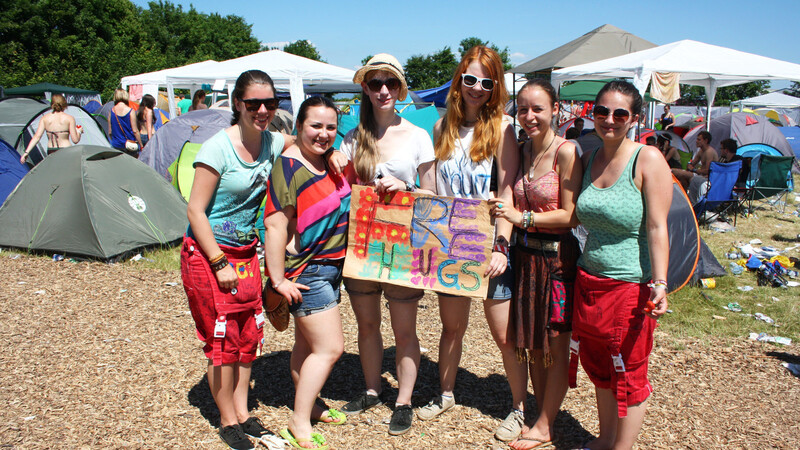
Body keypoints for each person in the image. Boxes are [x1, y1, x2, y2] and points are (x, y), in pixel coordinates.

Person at [181, 69, 292, 450]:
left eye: (270, 103)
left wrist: (336, 148)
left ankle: (244, 414)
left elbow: (306, 140)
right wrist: (217, 262)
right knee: (222, 340)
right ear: (237, 104)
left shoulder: (273, 142)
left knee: (248, 337)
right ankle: (227, 421)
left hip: (245, 254)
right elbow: (196, 211)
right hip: (209, 254)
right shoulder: (217, 148)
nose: (262, 110)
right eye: (253, 103)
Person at [329, 53, 436, 436]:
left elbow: (434, 195)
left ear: (401, 88)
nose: (383, 90)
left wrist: (405, 188)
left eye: (389, 83)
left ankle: (404, 401)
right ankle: (373, 389)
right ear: (365, 89)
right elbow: (338, 190)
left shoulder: (419, 136)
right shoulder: (353, 137)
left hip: (403, 244)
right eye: (375, 83)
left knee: (405, 330)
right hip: (361, 244)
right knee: (368, 323)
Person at [419, 46, 522, 440]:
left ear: (495, 87)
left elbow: (507, 193)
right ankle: (445, 393)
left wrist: (501, 245)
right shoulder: (440, 127)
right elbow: (430, 191)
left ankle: (518, 407)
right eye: (470, 80)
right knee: (451, 328)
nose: (477, 89)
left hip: (489, 243)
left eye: (486, 82)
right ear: (458, 80)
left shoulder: (503, 128)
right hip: (451, 244)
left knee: (503, 335)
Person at [571, 80, 671, 450]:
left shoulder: (648, 159)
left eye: (619, 113)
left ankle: (621, 448)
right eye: (601, 111)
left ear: (635, 118)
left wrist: (660, 283)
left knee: (628, 372)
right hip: (589, 279)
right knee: (599, 368)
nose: (609, 120)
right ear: (591, 114)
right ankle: (605, 439)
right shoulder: (589, 156)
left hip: (630, 286)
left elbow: (658, 227)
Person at [491, 78, 583, 449]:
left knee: (556, 347)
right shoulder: (522, 150)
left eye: (538, 108)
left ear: (556, 110)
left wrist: (520, 218)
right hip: (526, 258)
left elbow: (571, 216)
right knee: (532, 344)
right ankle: (543, 415)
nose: (529, 116)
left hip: (557, 261)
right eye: (523, 109)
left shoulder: (567, 151)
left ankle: (545, 425)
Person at [263, 96, 351, 450]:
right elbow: (275, 225)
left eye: (331, 127)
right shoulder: (288, 167)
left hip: (330, 267)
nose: (324, 134)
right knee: (330, 349)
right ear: (299, 125)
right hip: (308, 272)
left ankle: (309, 405)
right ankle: (298, 421)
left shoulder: (327, 162)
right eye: (316, 125)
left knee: (306, 344)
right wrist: (278, 279)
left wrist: (332, 155)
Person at [20, 93, 82, 163]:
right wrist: (79, 131)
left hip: (51, 150)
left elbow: (36, 137)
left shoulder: (45, 118)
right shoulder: (69, 118)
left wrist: (26, 152)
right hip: (66, 149)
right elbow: (75, 140)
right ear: (64, 104)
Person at [673, 131, 718, 201]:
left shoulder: (709, 152)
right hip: (699, 175)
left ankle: (685, 200)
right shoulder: (701, 151)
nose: (696, 141)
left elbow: (708, 171)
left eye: (699, 140)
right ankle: (684, 200)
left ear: (706, 141)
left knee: (674, 171)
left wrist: (694, 170)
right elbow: (692, 164)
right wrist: (689, 165)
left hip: (705, 177)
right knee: (682, 179)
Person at [107, 88, 143, 157]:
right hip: (130, 146)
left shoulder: (111, 111)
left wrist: (115, 140)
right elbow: (135, 131)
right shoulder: (130, 111)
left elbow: (110, 132)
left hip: (116, 145)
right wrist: (141, 145)